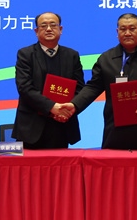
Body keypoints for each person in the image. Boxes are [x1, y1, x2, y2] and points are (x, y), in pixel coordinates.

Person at [62, 13, 137, 150]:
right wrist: (74, 105)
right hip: (118, 133)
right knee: (116, 163)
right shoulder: (106, 58)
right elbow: (93, 87)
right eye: (123, 29)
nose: (127, 33)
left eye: (132, 28)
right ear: (117, 32)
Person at [13, 12, 85, 149]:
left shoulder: (72, 55)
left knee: (60, 163)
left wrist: (67, 110)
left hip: (62, 124)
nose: (49, 29)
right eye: (43, 26)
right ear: (36, 31)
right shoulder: (25, 54)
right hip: (31, 127)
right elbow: (24, 87)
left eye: (53, 25)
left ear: (60, 29)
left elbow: (80, 88)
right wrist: (52, 107)